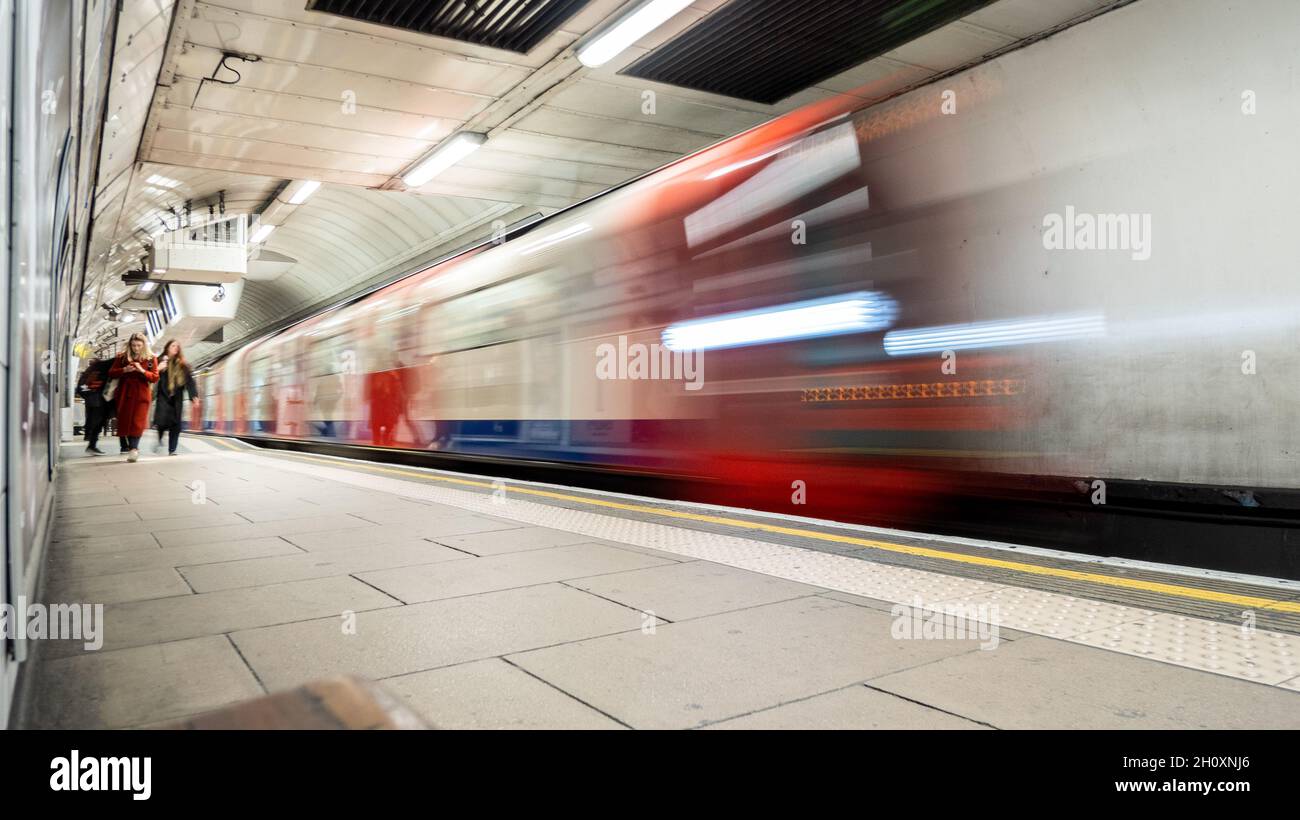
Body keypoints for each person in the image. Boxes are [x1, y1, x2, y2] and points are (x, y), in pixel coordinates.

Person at [108, 333, 159, 462]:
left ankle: (133, 449)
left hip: (142, 395)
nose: (136, 348)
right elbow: (111, 372)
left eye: (139, 345)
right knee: (126, 421)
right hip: (125, 394)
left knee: (137, 421)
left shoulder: (151, 358)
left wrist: (142, 371)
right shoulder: (122, 357)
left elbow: (155, 377)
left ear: (144, 345)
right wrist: (124, 370)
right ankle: (131, 447)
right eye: (133, 345)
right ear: (130, 345)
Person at [152, 339, 199, 455]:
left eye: (177, 347)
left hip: (176, 398)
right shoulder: (159, 361)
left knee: (176, 425)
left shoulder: (183, 365)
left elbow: (190, 382)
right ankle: (159, 439)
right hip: (163, 396)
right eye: (173, 346)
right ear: (167, 347)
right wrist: (158, 369)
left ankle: (172, 449)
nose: (176, 348)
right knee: (161, 422)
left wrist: (194, 396)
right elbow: (151, 375)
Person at [75, 355, 114, 454]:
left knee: (95, 420)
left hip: (93, 398)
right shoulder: (102, 368)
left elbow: (81, 386)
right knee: (98, 422)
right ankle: (91, 445)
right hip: (97, 399)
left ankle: (90, 442)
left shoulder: (94, 368)